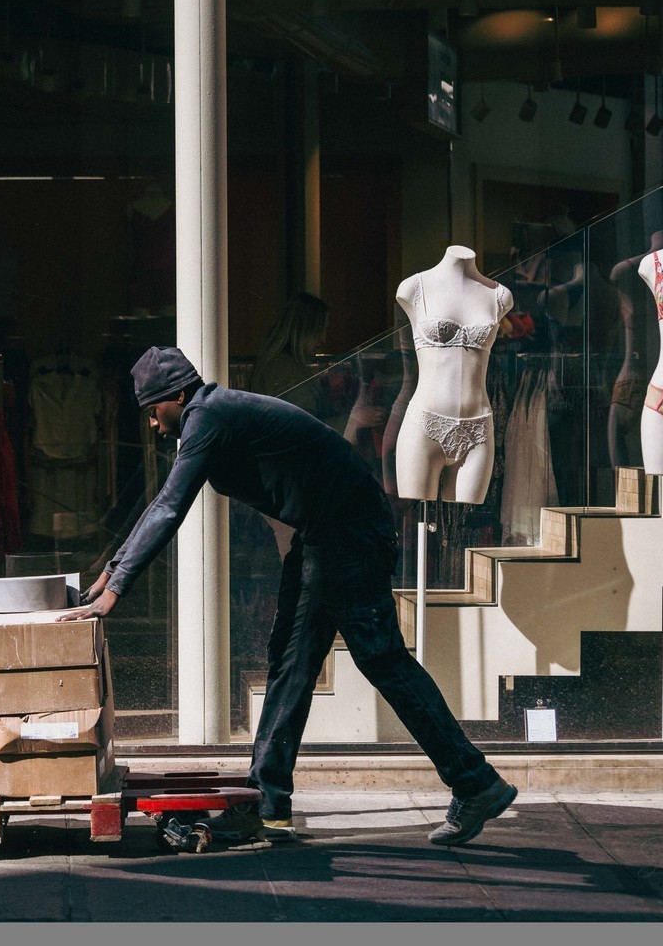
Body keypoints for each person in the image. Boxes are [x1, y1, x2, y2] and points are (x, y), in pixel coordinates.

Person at [60, 346, 516, 846]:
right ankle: (268, 803)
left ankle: (474, 782)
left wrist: (117, 591)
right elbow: (161, 503)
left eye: (153, 411)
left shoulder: (207, 416)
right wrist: (111, 571)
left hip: (347, 535)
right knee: (293, 661)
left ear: (178, 396)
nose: (152, 424)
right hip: (329, 533)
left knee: (382, 659)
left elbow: (172, 506)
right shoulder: (212, 412)